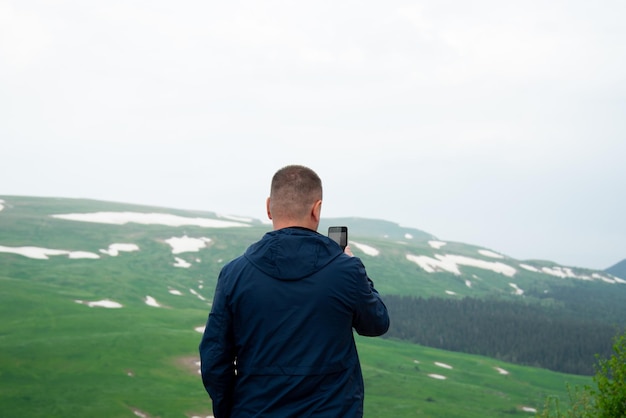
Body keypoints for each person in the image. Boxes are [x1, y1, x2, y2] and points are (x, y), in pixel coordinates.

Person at [199, 164, 390, 417]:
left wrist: (229, 412)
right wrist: (355, 269)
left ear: (269, 207)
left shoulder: (234, 273)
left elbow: (214, 359)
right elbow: (376, 324)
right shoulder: (345, 270)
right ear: (317, 209)